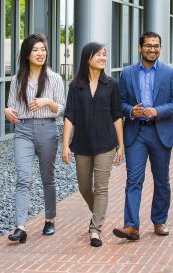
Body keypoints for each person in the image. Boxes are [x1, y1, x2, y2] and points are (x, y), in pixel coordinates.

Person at [112, 31, 173, 242]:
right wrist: (130, 111)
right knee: (134, 179)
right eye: (149, 45)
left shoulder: (170, 73)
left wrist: (157, 111)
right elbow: (120, 103)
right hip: (136, 132)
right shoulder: (127, 73)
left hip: (161, 132)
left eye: (156, 46)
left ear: (160, 48)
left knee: (162, 180)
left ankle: (159, 220)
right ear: (139, 47)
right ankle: (131, 226)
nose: (153, 49)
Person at [4, 33, 65, 243]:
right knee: (23, 179)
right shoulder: (16, 79)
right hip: (22, 131)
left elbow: (63, 109)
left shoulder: (55, 78)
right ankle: (20, 227)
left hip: (47, 130)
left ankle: (50, 219)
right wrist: (7, 111)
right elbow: (11, 104)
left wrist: (47, 101)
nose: (40, 53)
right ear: (27, 54)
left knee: (48, 178)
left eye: (43, 50)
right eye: (35, 50)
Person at [61, 42, 124, 247]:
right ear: (87, 58)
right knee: (84, 186)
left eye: (104, 54)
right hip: (82, 144)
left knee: (101, 187)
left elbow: (117, 116)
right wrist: (65, 145)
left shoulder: (112, 84)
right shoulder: (75, 86)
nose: (103, 58)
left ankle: (95, 229)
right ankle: (98, 212)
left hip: (106, 143)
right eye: (98, 54)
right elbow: (69, 116)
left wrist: (121, 145)